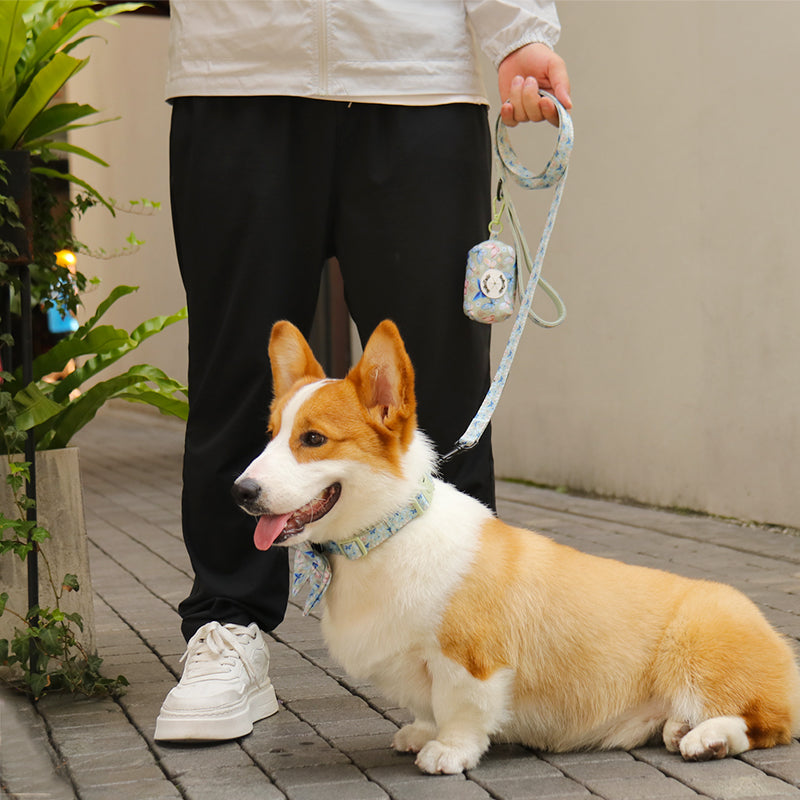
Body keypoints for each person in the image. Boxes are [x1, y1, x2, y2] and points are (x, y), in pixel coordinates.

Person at [154, 0, 572, 742]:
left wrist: (519, 34)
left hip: (414, 78)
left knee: (432, 390)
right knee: (236, 376)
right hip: (236, 73)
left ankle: (471, 644)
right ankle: (227, 625)